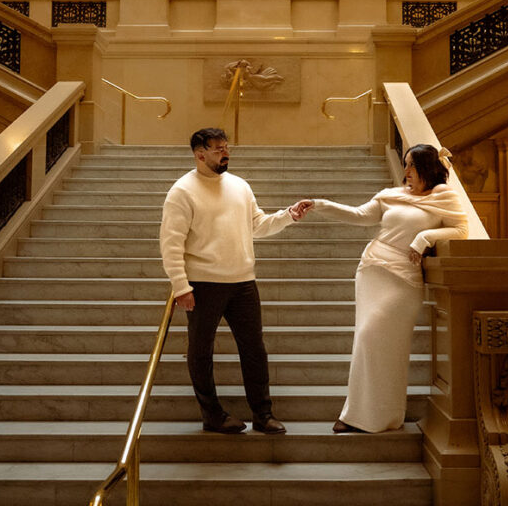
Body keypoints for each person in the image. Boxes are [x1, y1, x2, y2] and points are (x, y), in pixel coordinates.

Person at [160, 127, 312, 435]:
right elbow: (171, 242)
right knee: (201, 351)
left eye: (226, 147)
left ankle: (263, 414)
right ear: (199, 154)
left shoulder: (240, 186)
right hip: (202, 284)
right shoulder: (182, 191)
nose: (225, 152)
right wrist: (181, 286)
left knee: (254, 349)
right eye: (217, 149)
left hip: (243, 281)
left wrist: (287, 215)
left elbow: (257, 224)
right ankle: (212, 414)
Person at [308, 144, 468, 433]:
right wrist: (320, 204)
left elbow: (460, 230)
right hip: (372, 270)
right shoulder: (391, 196)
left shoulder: (444, 197)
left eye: (412, 166)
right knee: (365, 342)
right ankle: (355, 415)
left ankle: (384, 416)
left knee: (385, 345)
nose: (405, 172)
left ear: (428, 168)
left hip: (404, 279)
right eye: (404, 165)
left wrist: (424, 237)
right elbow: (358, 216)